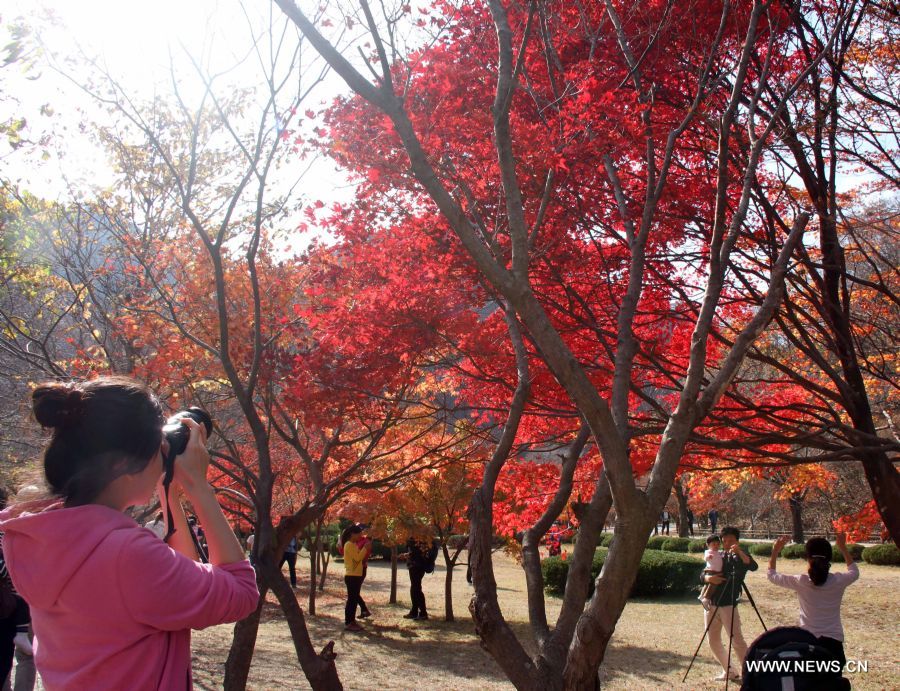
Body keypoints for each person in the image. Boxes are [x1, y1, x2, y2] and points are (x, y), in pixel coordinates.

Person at [0, 377, 259, 689]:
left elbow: (179, 593)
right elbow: (241, 592)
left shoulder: (40, 536)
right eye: (156, 448)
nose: (162, 456)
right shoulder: (126, 555)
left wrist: (169, 496)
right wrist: (198, 487)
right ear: (123, 463)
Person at [767, 532, 859, 670]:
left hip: (807, 640)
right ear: (829, 559)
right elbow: (854, 571)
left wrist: (775, 550)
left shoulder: (801, 581)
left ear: (808, 558)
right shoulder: (838, 581)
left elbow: (771, 575)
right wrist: (843, 547)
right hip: (833, 641)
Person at [701, 526, 757, 681]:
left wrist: (738, 551)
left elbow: (753, 566)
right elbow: (704, 572)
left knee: (736, 640)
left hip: (728, 604)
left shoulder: (740, 556)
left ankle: (749, 674)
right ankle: (729, 670)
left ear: (737, 541)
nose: (726, 543)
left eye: (731, 540)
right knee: (712, 639)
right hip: (712, 602)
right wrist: (708, 579)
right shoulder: (717, 554)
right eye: (724, 540)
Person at [340, 524, 371, 631]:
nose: (360, 537)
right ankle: (349, 622)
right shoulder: (348, 544)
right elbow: (358, 559)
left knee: (353, 600)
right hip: (352, 576)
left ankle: (351, 621)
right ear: (353, 534)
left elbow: (357, 561)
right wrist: (364, 549)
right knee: (351, 601)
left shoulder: (353, 544)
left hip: (356, 575)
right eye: (359, 534)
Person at [404, 536, 438, 621]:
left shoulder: (420, 536)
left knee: (416, 589)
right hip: (414, 565)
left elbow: (419, 552)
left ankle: (423, 613)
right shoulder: (415, 535)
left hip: (418, 566)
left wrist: (408, 554)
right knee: (414, 588)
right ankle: (414, 611)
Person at [698, 534, 723, 610]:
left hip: (717, 571)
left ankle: (702, 596)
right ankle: (706, 598)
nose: (716, 546)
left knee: (708, 584)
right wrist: (708, 557)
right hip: (711, 571)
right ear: (708, 545)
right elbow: (705, 558)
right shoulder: (709, 552)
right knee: (713, 584)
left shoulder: (719, 552)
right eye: (714, 544)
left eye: (718, 544)